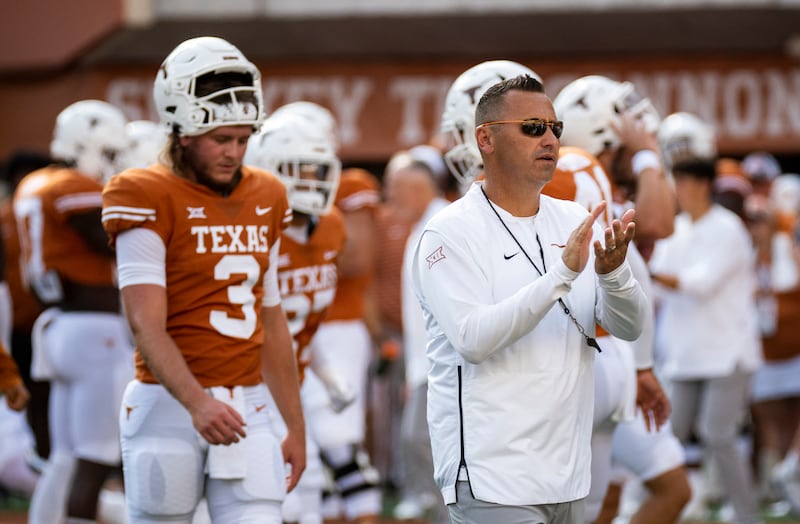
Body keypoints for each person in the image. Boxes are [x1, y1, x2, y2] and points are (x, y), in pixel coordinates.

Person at [411, 74, 648, 523]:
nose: (550, 140)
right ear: (486, 138)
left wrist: (614, 275)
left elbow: (630, 327)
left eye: (555, 128)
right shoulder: (449, 231)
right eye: (533, 127)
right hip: (491, 477)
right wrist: (561, 275)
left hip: (568, 473)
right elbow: (472, 339)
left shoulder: (574, 217)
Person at [101, 36, 305, 523]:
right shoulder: (143, 192)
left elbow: (271, 319)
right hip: (169, 402)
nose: (234, 152)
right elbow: (146, 324)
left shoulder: (268, 194)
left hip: (249, 403)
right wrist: (198, 403)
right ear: (181, 132)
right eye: (221, 139)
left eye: (242, 138)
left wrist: (295, 426)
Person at [553, 75, 689, 524]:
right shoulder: (575, 173)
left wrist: (643, 365)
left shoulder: (593, 179)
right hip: (583, 354)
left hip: (611, 351)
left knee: (598, 504)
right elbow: (657, 222)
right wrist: (648, 153)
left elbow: (639, 272)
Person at [14, 99, 134, 524]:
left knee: (65, 457)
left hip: (60, 324)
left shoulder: (35, 183)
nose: (111, 164)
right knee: (94, 460)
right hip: (94, 331)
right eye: (109, 153)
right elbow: (113, 239)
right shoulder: (72, 187)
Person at [244, 107, 346, 524]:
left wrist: (328, 373)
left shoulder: (332, 226)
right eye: (299, 169)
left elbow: (304, 322)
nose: (312, 181)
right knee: (266, 502)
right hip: (248, 385)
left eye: (318, 170)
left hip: (294, 383)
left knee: (308, 497)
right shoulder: (253, 226)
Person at [649, 158, 764, 524]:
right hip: (683, 355)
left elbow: (699, 284)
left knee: (718, 435)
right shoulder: (675, 229)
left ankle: (747, 515)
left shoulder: (728, 229)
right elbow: (657, 289)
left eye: (681, 182)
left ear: (701, 185)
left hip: (727, 352)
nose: (676, 191)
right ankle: (653, 508)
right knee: (670, 438)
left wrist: (638, 265)